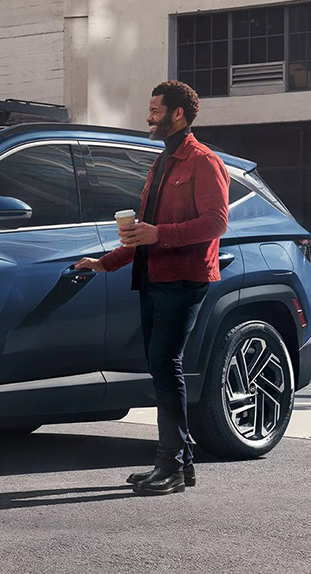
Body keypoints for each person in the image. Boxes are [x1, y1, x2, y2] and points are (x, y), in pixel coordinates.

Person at [74, 80, 229, 496]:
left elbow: (216, 223)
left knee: (166, 367)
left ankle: (171, 466)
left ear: (177, 113)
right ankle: (181, 465)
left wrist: (159, 234)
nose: (149, 117)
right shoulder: (161, 163)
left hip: (184, 280)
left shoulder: (203, 161)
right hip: (153, 279)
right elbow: (144, 234)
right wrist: (105, 262)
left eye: (155, 110)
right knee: (162, 368)